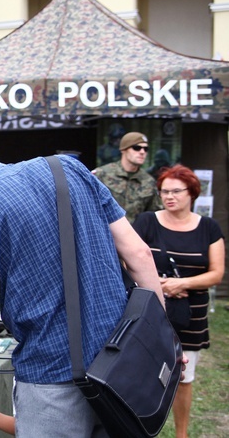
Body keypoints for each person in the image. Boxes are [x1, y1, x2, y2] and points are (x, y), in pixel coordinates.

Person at [0, 142, 163, 436]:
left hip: (49, 381)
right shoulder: (68, 168)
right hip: (120, 364)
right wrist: (159, 339)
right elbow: (139, 255)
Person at [132, 165, 225, 438]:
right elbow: (129, 259)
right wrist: (161, 285)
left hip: (191, 315)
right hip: (152, 311)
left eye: (176, 191)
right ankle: (140, 429)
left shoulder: (208, 227)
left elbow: (216, 273)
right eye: (164, 191)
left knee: (184, 378)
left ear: (192, 192)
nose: (169, 196)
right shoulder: (148, 221)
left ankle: (181, 434)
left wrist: (181, 283)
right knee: (144, 374)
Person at [93, 131, 162, 223]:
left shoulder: (148, 181)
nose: (142, 152)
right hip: (106, 233)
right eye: (136, 148)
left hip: (135, 234)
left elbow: (154, 214)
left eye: (146, 149)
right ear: (123, 150)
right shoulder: (102, 174)